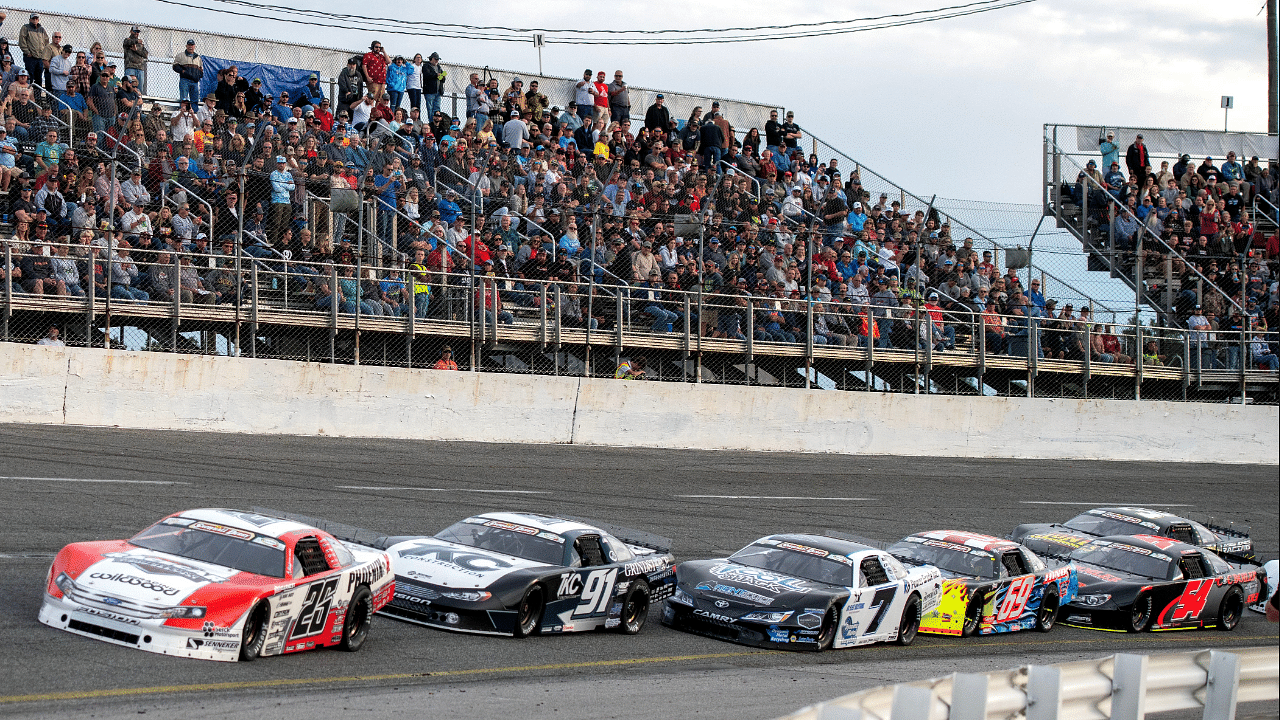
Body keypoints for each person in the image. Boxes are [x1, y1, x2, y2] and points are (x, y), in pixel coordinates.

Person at [171, 39, 203, 106]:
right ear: (186, 46)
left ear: (194, 46)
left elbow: (201, 70)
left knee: (194, 100)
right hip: (185, 80)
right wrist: (183, 71)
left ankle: (194, 114)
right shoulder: (180, 55)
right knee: (184, 99)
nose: (190, 47)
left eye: (192, 45)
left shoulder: (198, 58)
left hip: (194, 82)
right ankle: (183, 113)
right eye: (189, 45)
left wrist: (198, 76)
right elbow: (175, 66)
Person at [122, 26, 148, 93]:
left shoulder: (140, 44)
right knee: (128, 87)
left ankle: (138, 102)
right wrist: (137, 41)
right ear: (131, 31)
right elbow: (127, 43)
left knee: (139, 89)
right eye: (135, 31)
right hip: (130, 67)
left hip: (140, 68)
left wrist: (136, 50)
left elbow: (146, 54)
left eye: (138, 32)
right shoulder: (127, 40)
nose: (136, 33)